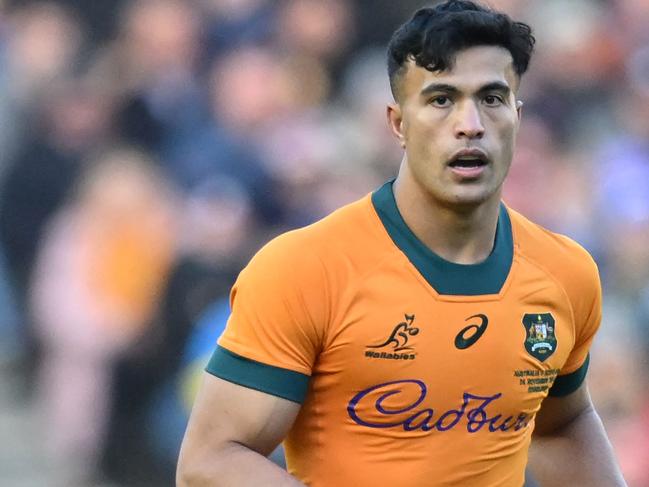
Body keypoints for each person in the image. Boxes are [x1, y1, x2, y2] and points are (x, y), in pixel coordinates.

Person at [177, 1, 628, 485]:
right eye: (441, 99)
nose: (470, 123)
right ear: (397, 123)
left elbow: (563, 424)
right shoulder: (305, 268)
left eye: (492, 98)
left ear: (517, 116)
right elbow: (211, 461)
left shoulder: (566, 273)